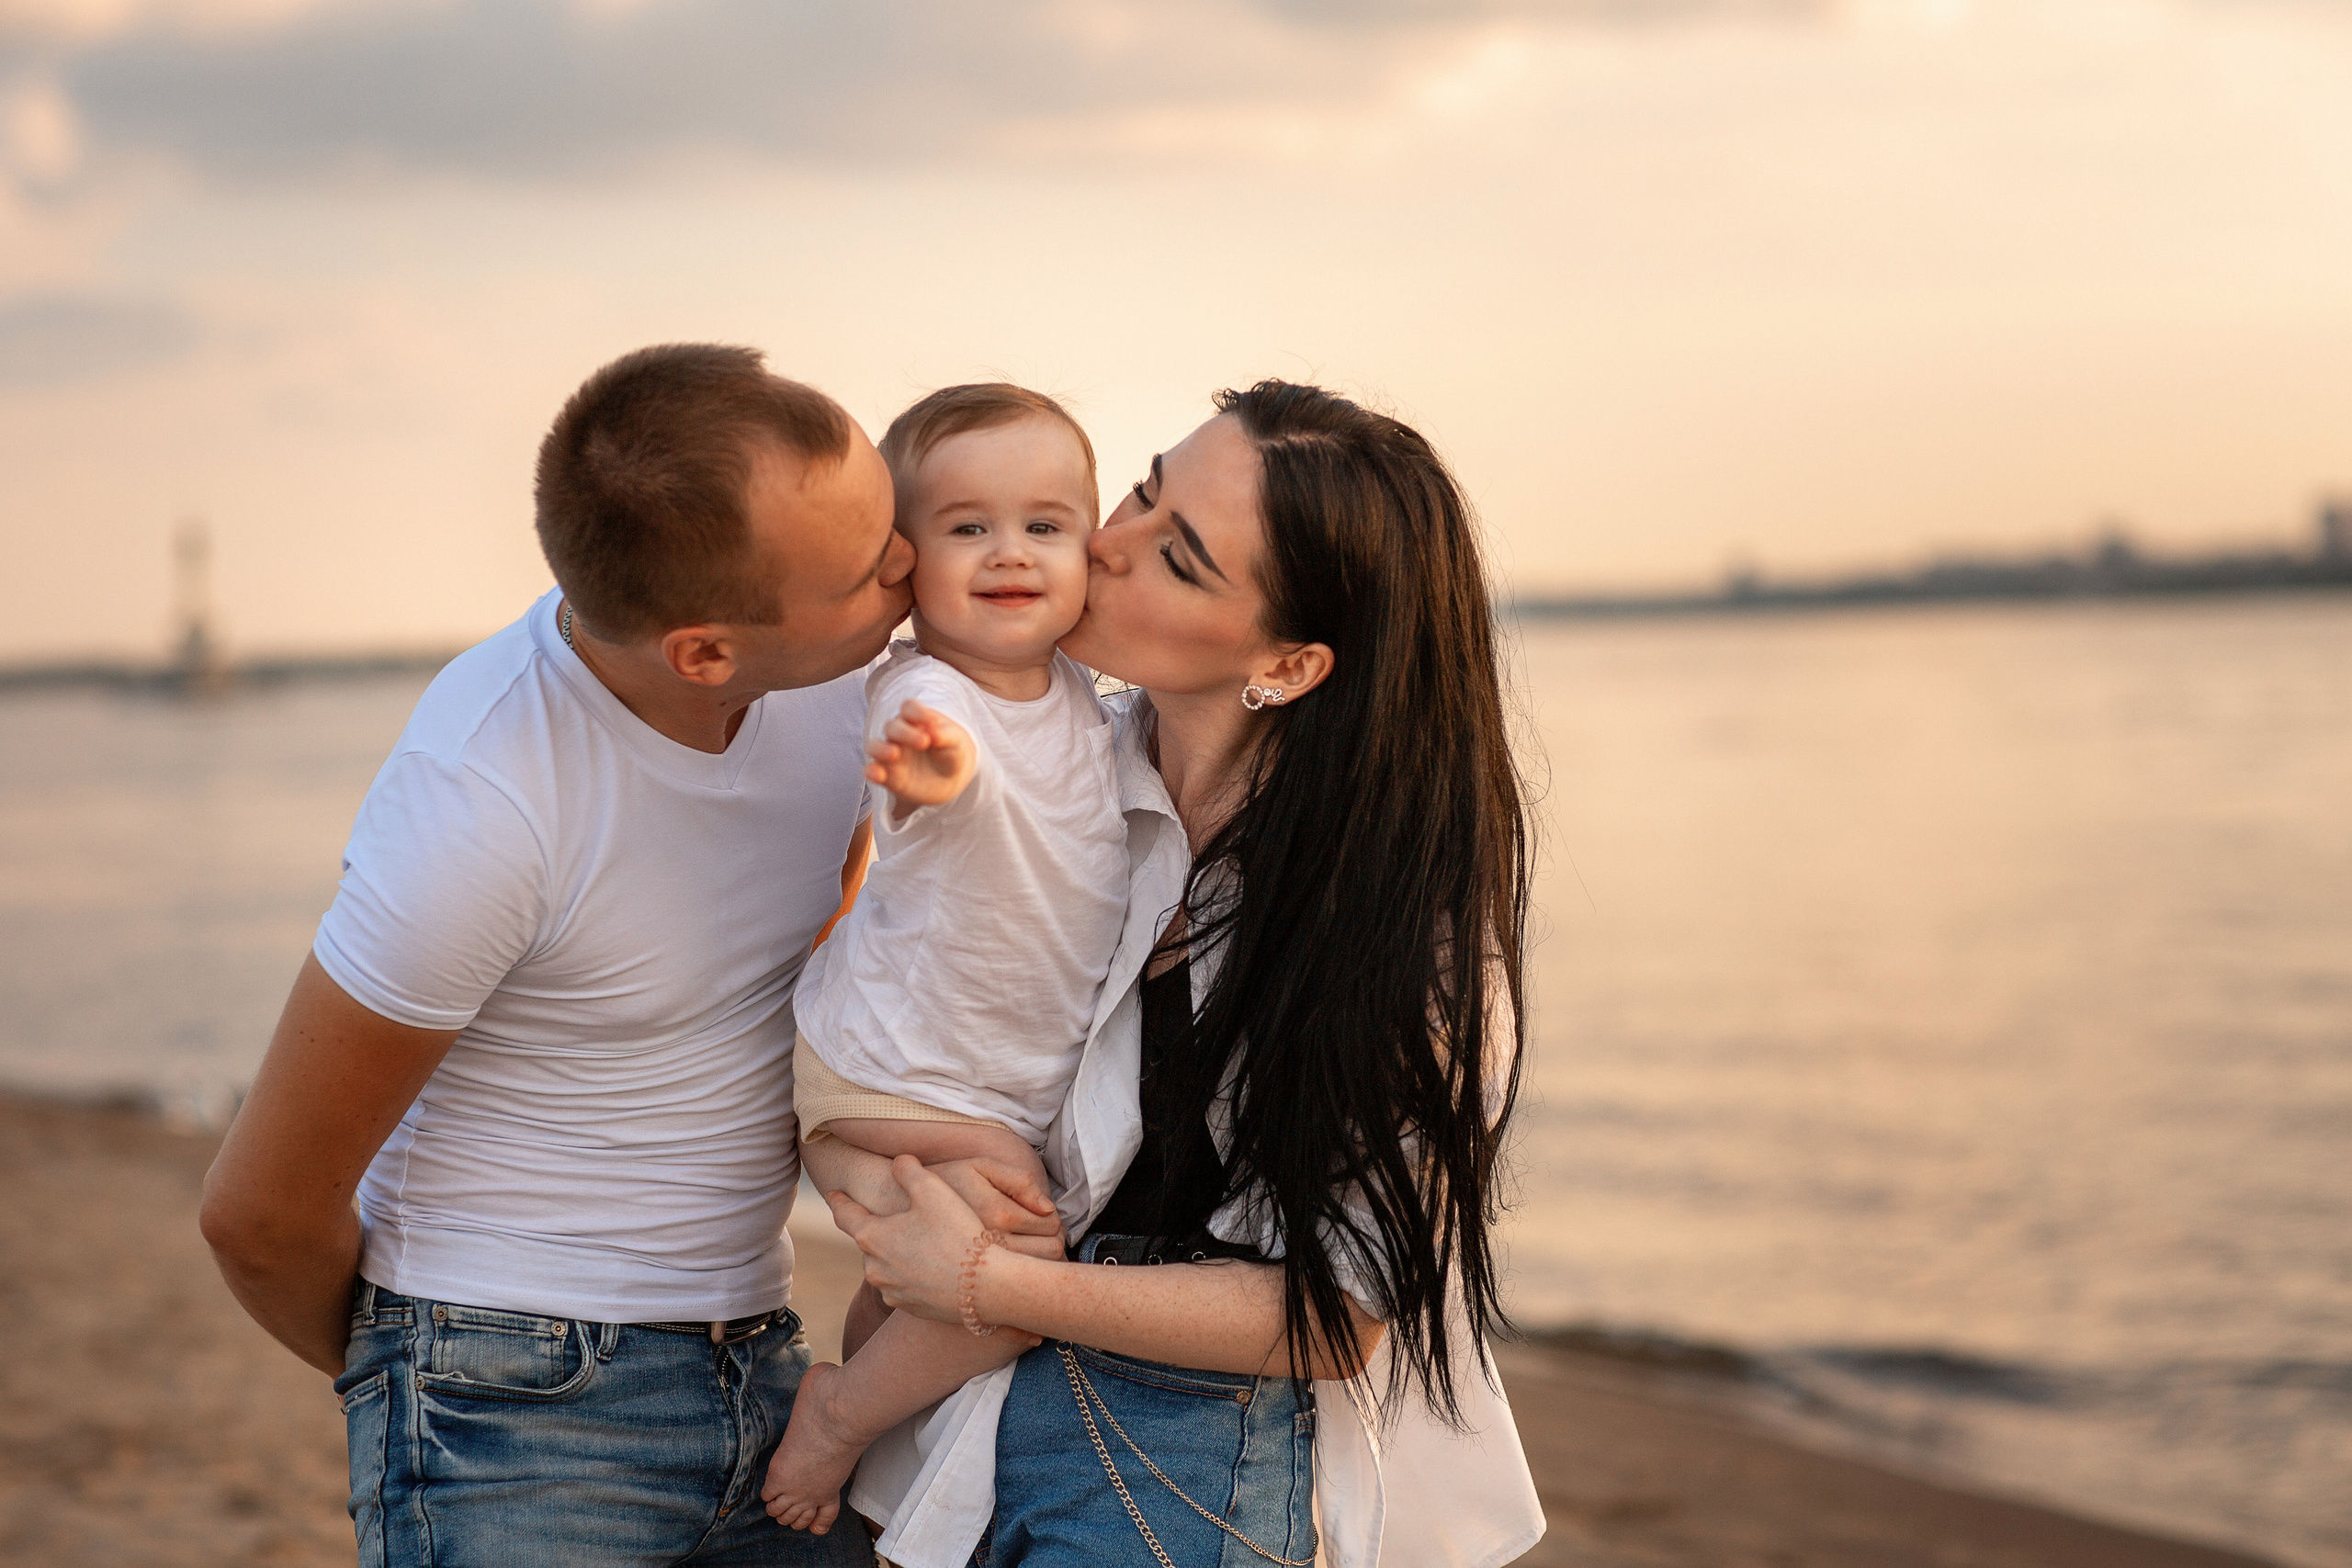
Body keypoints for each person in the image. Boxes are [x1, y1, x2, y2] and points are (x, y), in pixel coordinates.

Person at [197, 344, 1058, 1567]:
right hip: (508, 1405)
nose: (914, 562)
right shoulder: (482, 806)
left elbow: (838, 948)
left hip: (764, 1366)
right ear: (704, 649)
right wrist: (433, 1382)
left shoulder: (852, 690)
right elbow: (259, 1214)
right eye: (873, 566)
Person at [807, 381, 1550, 1568]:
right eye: (1145, 490)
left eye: (1179, 557)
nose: (1103, 542)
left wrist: (988, 1276)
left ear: (1290, 663)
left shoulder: (1402, 929)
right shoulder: (1051, 762)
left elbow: (1334, 1310)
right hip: (950, 1424)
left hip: (1179, 1461)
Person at [760, 384, 1125, 1534]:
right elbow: (935, 752)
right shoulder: (927, 691)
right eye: (967, 528)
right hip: (889, 1075)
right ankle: (836, 1420)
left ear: (1089, 548)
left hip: (974, 1086)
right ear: (904, 562)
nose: (1008, 552)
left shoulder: (1093, 706)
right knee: (1019, 1281)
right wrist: (932, 768)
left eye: (1044, 525)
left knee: (927, 1283)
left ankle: (861, 1407)